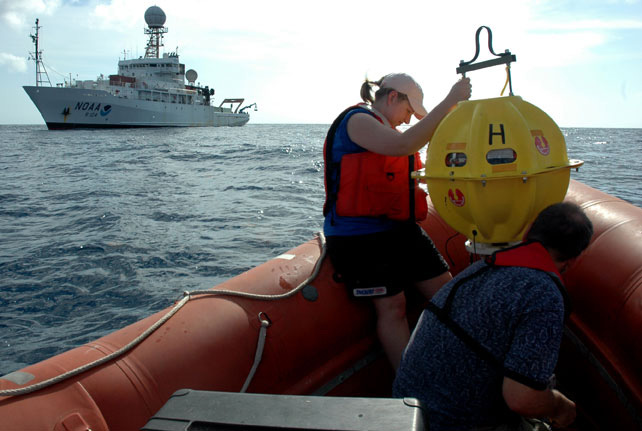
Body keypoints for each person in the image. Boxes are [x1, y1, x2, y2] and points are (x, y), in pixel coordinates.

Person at [392, 202, 594, 431]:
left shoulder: (482, 269)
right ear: (573, 261)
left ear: (529, 233)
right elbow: (521, 398)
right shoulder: (544, 295)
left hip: (408, 409)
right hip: (448, 423)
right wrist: (559, 405)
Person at [323, 73, 472, 370]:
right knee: (393, 307)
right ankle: (409, 387)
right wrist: (451, 99)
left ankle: (457, 370)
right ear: (392, 97)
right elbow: (405, 144)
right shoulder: (359, 120)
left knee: (450, 295)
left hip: (398, 229)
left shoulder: (385, 128)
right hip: (359, 237)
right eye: (408, 111)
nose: (407, 120)